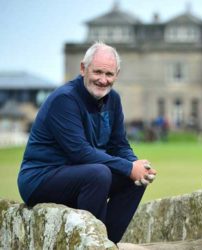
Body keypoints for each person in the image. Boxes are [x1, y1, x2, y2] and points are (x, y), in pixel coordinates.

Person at [17, 42, 157, 243]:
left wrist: (136, 166)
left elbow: (119, 145)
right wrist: (128, 167)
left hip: (81, 173)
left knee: (136, 180)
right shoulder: (64, 99)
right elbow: (80, 153)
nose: (103, 80)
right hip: (41, 177)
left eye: (109, 74)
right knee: (99, 174)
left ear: (117, 74)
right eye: (97, 72)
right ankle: (92, 244)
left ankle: (106, 243)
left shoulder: (113, 99)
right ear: (83, 68)